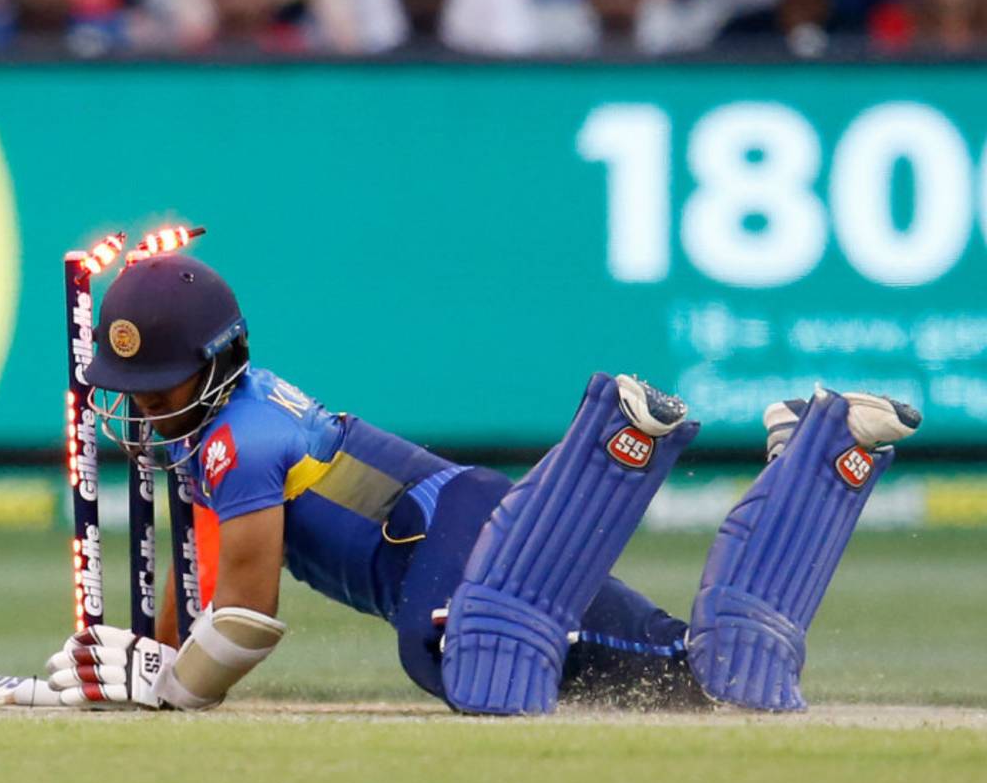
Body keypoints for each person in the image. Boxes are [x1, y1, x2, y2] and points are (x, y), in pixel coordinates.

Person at [46, 252, 920, 715]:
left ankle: (610, 440)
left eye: (157, 389)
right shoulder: (223, 427)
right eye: (132, 394)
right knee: (700, 674)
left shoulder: (241, 441)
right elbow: (201, 595)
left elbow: (242, 611)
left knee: (462, 654)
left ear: (214, 362)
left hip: (453, 532)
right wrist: (135, 657)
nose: (145, 410)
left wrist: (167, 687)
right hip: (475, 525)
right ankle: (821, 456)